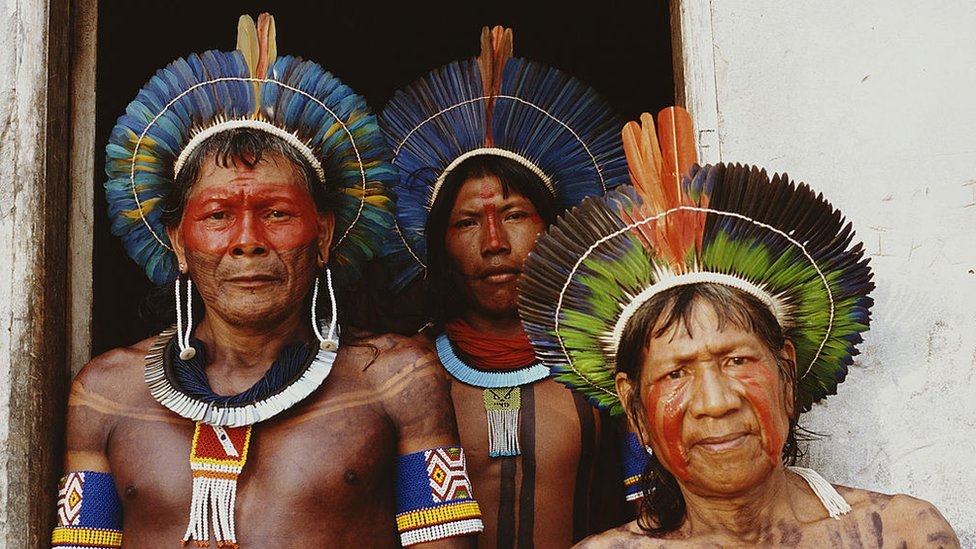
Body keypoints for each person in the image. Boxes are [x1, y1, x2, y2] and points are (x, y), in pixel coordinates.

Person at [52, 14, 482, 548]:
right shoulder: (105, 394)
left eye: (277, 213)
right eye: (217, 216)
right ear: (179, 242)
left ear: (323, 234)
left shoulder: (397, 380)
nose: (248, 239)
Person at [518, 111, 961, 547]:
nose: (716, 402)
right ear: (635, 410)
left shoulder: (904, 534)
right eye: (676, 373)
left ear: (786, 373)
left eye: (736, 360)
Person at [379, 26, 642, 547]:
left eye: (516, 215)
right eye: (467, 222)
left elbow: (661, 520)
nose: (495, 242)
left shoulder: (610, 368)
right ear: (439, 245)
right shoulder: (409, 376)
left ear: (557, 228)